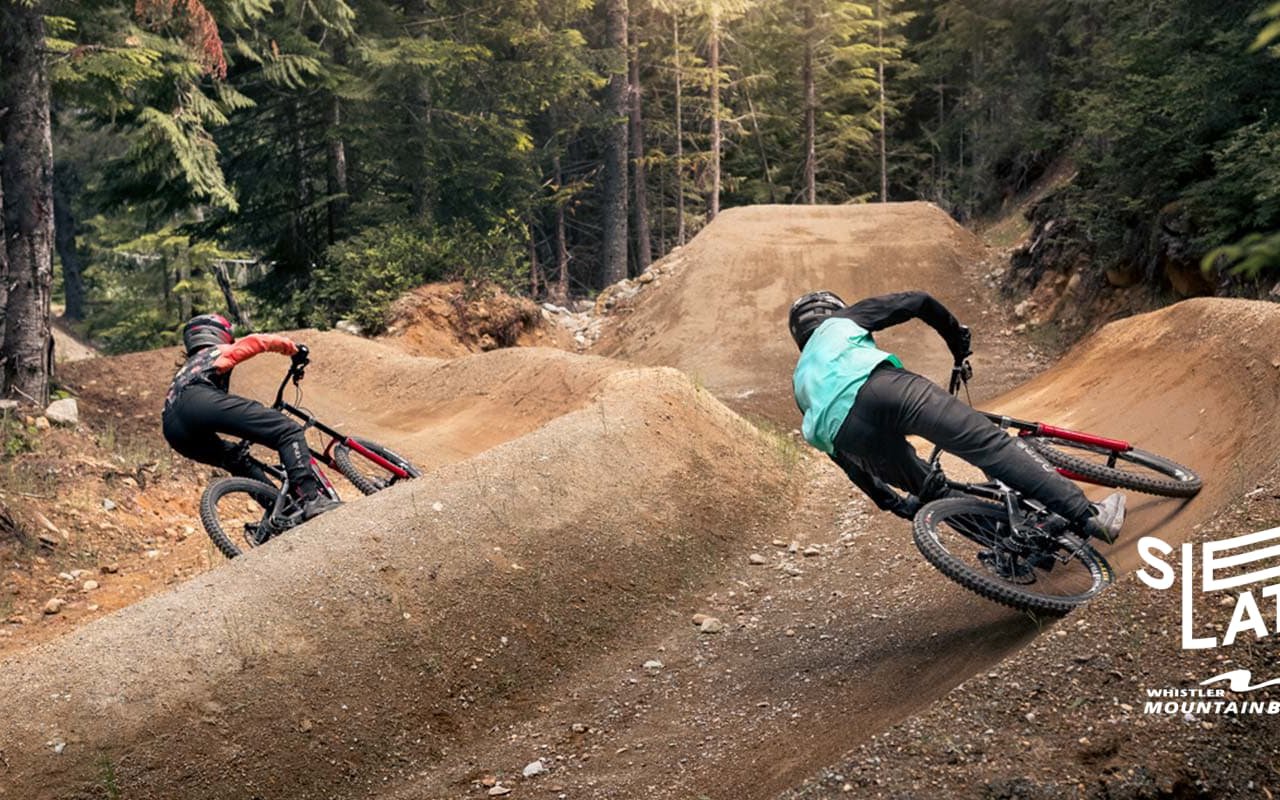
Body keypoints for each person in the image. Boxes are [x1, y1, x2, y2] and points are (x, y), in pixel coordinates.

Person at [788, 290, 1124, 544]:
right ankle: (1091, 516)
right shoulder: (841, 323)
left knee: (934, 493)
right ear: (833, 311)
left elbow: (848, 464)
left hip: (847, 436)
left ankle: (1011, 551)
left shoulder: (801, 385)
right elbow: (918, 301)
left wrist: (895, 504)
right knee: (987, 445)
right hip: (883, 389)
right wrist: (956, 342)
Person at [162, 314, 340, 521]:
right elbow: (256, 342)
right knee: (287, 430)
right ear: (220, 334)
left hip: (172, 427)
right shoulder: (214, 352)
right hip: (198, 400)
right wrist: (293, 349)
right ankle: (312, 499)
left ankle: (283, 514)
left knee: (237, 460)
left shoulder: (187, 369)